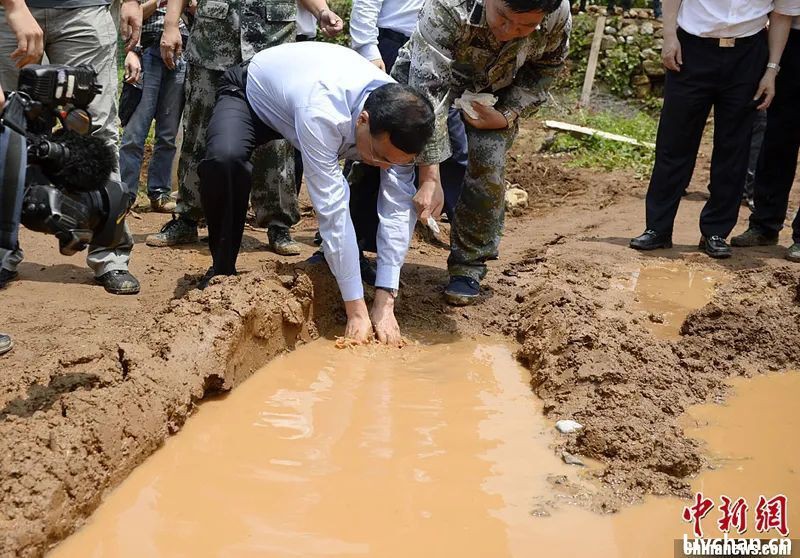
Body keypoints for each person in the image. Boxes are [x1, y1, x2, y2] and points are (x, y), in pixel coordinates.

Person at [197, 42, 434, 345]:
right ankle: (221, 271)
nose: (385, 166)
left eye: (394, 160)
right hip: (254, 96)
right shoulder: (323, 110)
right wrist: (357, 311)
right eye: (381, 156)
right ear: (363, 120)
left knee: (390, 182)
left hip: (309, 106)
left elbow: (398, 209)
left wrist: (385, 299)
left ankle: (356, 260)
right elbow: (332, 211)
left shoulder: (402, 122)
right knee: (224, 161)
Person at [391, 0, 571, 306]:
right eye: (503, 19)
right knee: (389, 149)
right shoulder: (448, 7)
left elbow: (546, 70)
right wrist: (430, 176)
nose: (509, 32)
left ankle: (469, 266)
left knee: (487, 160)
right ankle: (352, 243)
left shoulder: (556, 15)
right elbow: (427, 93)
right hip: (426, 79)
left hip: (495, 93)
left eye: (525, 26)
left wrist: (506, 114)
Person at [146, 0, 342, 256]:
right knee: (198, 131)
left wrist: (322, 12)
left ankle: (278, 223)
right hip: (213, 44)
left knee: (276, 139)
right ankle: (187, 217)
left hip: (272, 46)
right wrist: (171, 25)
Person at [630, 0, 795, 259]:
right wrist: (669, 35)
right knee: (674, 143)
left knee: (734, 147)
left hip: (748, 54)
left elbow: (782, 14)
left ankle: (715, 232)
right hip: (691, 49)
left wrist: (772, 70)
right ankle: (657, 228)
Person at [0, 0, 143, 294]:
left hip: (86, 9)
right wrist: (14, 6)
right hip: (8, 13)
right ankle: (3, 250)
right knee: (6, 129)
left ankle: (110, 254)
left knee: (97, 130)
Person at [346, 0, 469, 262]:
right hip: (393, 49)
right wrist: (368, 50)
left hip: (444, 52)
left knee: (456, 149)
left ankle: (464, 249)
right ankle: (354, 243)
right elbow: (367, 3)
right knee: (375, 153)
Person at [732, 9, 800, 263]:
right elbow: (783, 11)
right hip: (791, 43)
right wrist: (773, 66)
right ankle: (764, 225)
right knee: (777, 139)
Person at [119, 0, 193, 213]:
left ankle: (159, 192)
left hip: (181, 50)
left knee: (168, 134)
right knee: (135, 132)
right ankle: (125, 195)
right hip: (147, 50)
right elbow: (132, 15)